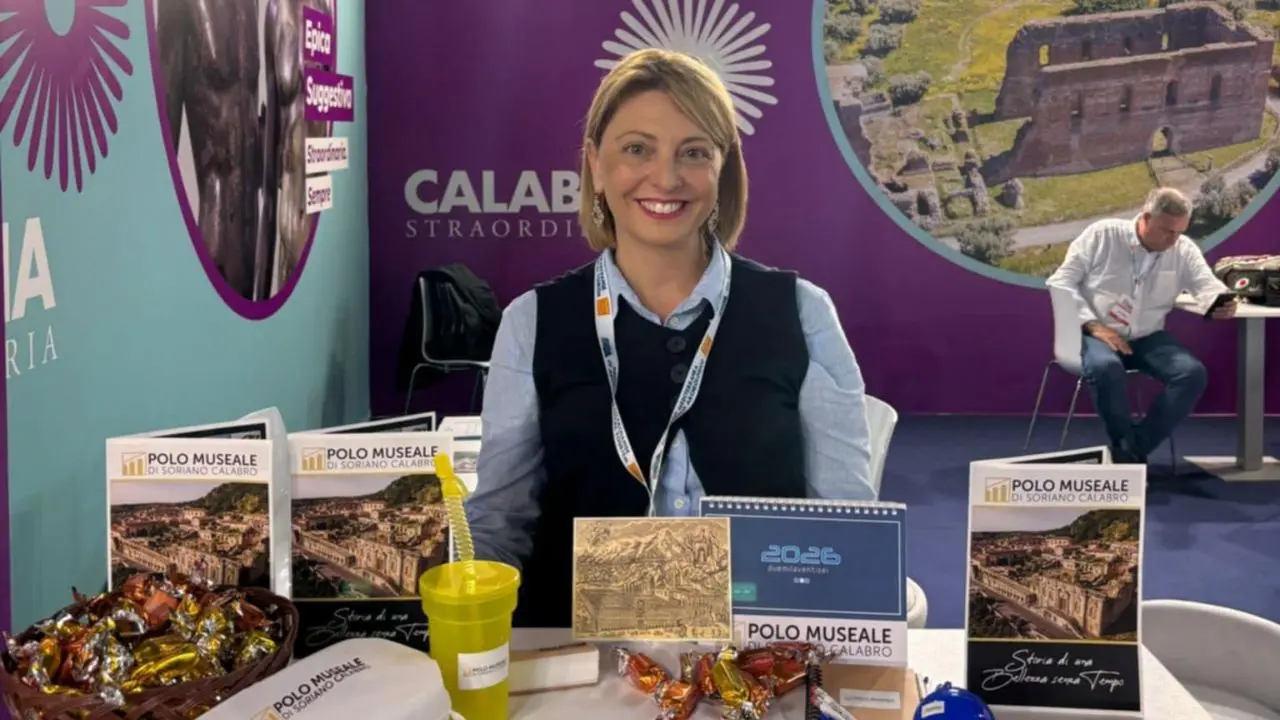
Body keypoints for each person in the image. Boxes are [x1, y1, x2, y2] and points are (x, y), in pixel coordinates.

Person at [465, 48, 875, 628]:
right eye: (637, 149)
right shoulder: (532, 322)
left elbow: (847, 524)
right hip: (579, 659)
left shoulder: (801, 313)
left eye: (694, 153)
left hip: (757, 660)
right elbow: (498, 525)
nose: (666, 177)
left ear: (721, 169)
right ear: (596, 167)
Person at [1046, 187, 1234, 464]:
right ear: (1146, 218)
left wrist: (1221, 301)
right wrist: (1093, 325)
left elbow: (1206, 284)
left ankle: (1131, 450)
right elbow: (1060, 281)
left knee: (1192, 374)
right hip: (1097, 332)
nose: (1173, 240)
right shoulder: (1103, 235)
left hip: (1148, 336)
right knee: (1106, 367)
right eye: (1166, 231)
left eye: (1179, 232)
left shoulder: (1182, 248)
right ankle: (1126, 450)